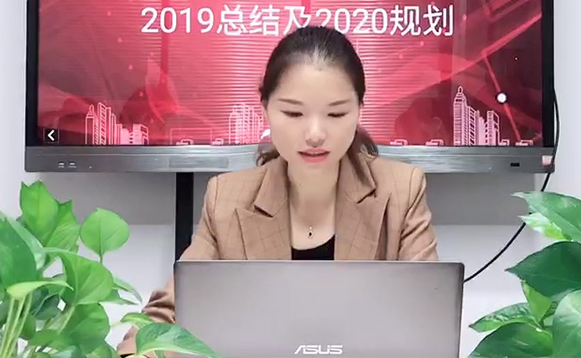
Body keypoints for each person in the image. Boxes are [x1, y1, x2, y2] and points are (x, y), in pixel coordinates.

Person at [117, 25, 438, 356]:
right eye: (294, 113)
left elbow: (426, 318)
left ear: (359, 110)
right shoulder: (227, 199)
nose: (315, 133)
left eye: (336, 113)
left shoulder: (401, 191)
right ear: (266, 109)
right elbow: (163, 319)